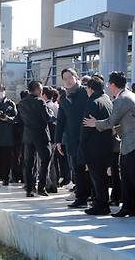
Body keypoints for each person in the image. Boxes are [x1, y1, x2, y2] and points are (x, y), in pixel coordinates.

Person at [84, 72, 135, 216]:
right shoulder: (131, 95)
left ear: (112, 85)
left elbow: (111, 122)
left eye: (108, 85)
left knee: (132, 176)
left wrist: (95, 123)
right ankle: (128, 207)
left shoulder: (121, 100)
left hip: (132, 142)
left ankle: (133, 206)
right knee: (128, 177)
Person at [56, 68, 92, 208]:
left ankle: (93, 197)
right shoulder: (64, 97)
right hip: (71, 139)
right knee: (77, 169)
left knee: (90, 169)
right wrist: (58, 140)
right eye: (65, 78)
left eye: (70, 77)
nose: (68, 81)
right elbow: (61, 120)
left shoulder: (86, 92)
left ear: (76, 77)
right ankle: (81, 197)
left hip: (87, 137)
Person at [78, 76, 114, 215]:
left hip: (94, 146)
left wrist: (82, 146)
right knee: (103, 176)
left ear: (90, 89)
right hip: (106, 143)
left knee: (97, 177)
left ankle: (101, 204)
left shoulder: (92, 102)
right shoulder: (107, 100)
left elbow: (86, 127)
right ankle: (102, 202)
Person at [18, 81, 56, 197]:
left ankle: (29, 189)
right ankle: (41, 187)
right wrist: (52, 114)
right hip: (41, 135)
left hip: (28, 136)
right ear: (36, 89)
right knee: (45, 160)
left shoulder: (21, 103)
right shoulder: (40, 102)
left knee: (29, 163)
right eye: (40, 88)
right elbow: (47, 118)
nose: (41, 91)